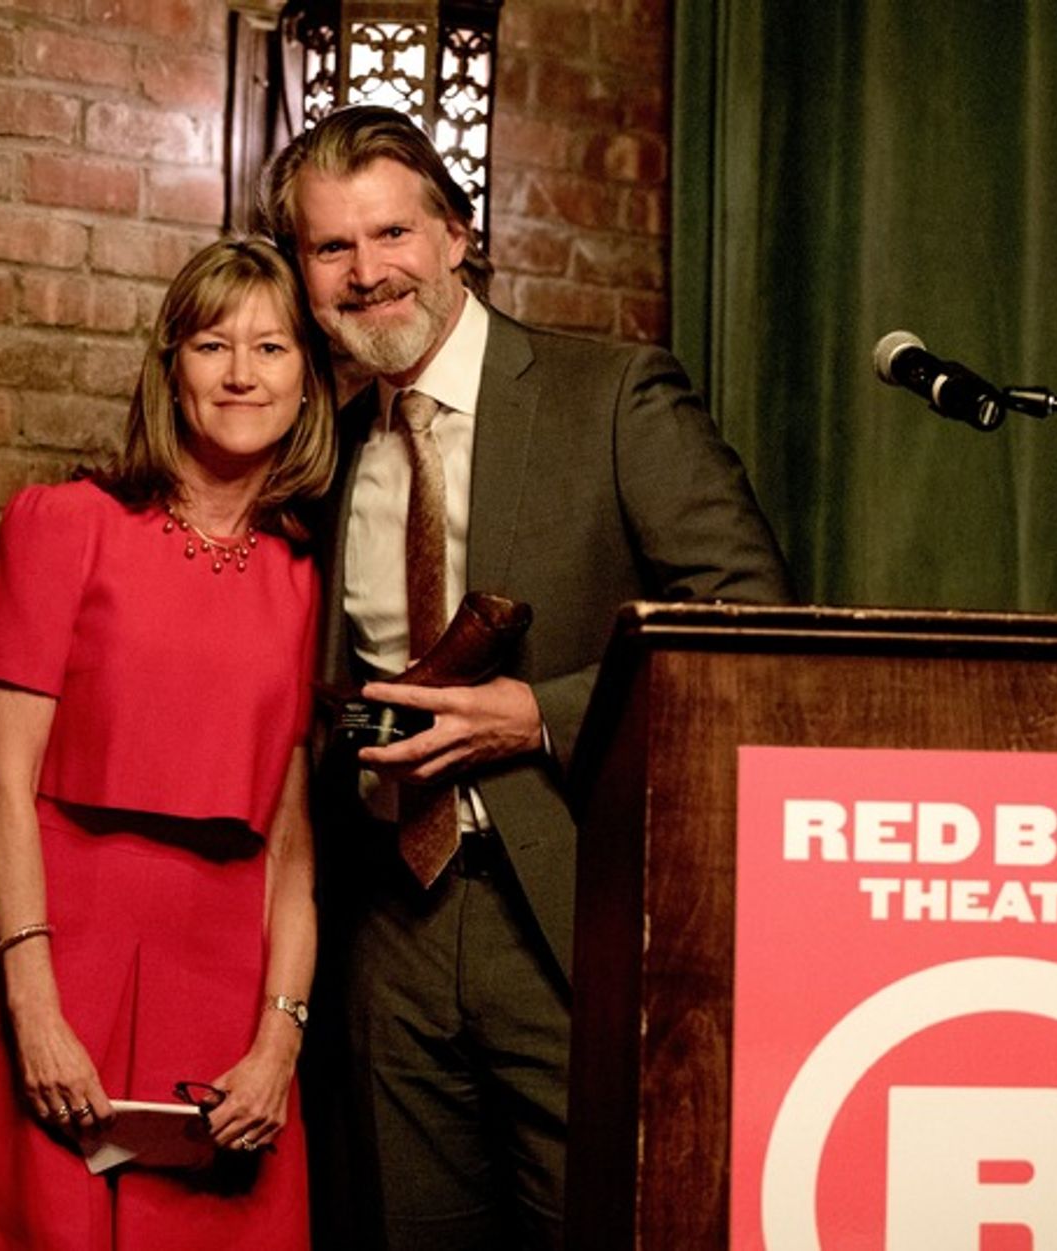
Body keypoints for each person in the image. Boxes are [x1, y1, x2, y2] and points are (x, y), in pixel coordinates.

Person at [264, 105, 793, 1251]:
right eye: (331, 247)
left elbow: (749, 625)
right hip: (387, 929)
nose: (366, 272)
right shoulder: (325, 451)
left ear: (458, 236)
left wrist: (538, 716)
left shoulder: (610, 394)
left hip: (567, 914)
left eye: (392, 233)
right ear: (303, 273)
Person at [0, 236, 335, 1250]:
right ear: (170, 369)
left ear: (307, 384)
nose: (241, 374)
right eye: (212, 345)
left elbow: (291, 846)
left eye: (271, 348)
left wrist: (279, 1040)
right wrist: (34, 1013)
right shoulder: (64, 524)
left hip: (225, 996)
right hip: (53, 967)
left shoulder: (303, 576)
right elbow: (2, 784)